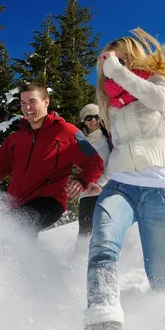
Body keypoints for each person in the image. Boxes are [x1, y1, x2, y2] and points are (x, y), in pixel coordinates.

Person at [83, 28, 165, 330]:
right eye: (109, 61)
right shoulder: (110, 100)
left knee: (159, 277)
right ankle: (102, 320)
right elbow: (117, 148)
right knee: (102, 245)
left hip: (160, 192)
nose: (114, 66)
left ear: (133, 56)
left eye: (122, 58)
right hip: (119, 187)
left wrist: (118, 70)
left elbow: (159, 100)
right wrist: (101, 181)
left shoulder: (157, 80)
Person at [0, 83, 104, 236]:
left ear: (46, 102)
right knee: (12, 245)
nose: (27, 107)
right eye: (23, 103)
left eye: (32, 102)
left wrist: (82, 181)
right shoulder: (15, 140)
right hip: (16, 205)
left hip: (48, 202)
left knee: (18, 227)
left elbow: (94, 161)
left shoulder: (67, 132)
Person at [73, 103, 112, 255]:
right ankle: (77, 262)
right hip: (87, 190)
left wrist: (101, 183)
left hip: (105, 187)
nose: (93, 121)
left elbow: (112, 164)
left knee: (105, 226)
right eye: (89, 118)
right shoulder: (79, 140)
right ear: (84, 121)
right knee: (85, 229)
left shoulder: (108, 138)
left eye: (96, 117)